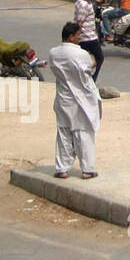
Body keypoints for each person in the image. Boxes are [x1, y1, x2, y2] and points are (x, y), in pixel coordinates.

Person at [50, 21, 102, 182]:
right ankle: (87, 169)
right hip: (81, 99)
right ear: (71, 37)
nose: (79, 38)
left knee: (64, 132)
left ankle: (62, 168)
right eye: (78, 35)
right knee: (83, 133)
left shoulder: (53, 53)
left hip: (63, 97)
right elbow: (88, 67)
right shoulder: (81, 54)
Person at [73, 0, 103, 80]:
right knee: (99, 58)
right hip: (88, 37)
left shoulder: (81, 2)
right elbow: (79, 23)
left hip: (87, 36)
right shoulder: (84, 5)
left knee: (86, 59)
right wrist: (76, 38)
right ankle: (91, 79)